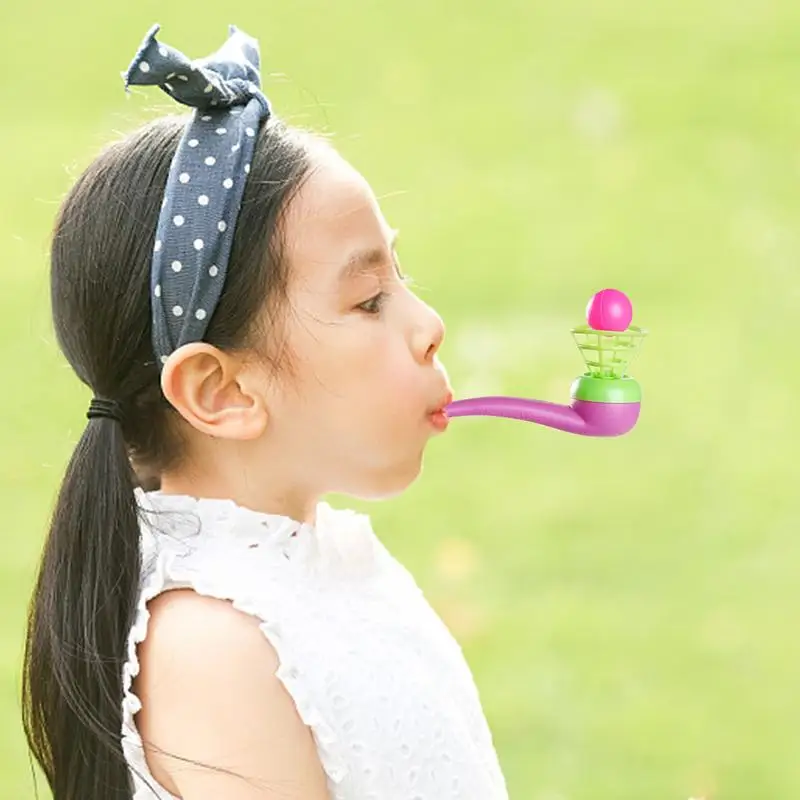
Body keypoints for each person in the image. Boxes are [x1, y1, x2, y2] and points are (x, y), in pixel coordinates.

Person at [21, 23, 509, 800]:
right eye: (370, 298)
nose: (428, 324)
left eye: (400, 276)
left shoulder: (320, 561)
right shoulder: (215, 649)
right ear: (222, 392)